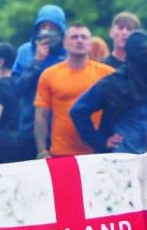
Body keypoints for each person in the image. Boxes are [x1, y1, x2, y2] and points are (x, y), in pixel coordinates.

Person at [70, 30, 147, 208]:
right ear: (134, 53)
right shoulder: (112, 84)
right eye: (146, 50)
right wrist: (101, 141)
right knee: (124, 210)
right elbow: (78, 111)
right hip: (122, 161)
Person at [33, 24, 113, 158]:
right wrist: (42, 151)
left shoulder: (107, 74)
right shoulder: (49, 74)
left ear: (90, 43)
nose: (79, 40)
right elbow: (41, 115)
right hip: (61, 153)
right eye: (74, 37)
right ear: (64, 43)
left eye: (84, 37)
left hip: (98, 152)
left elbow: (120, 110)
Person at [11, 5, 67, 161]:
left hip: (61, 128)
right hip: (29, 125)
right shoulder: (25, 51)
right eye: (43, 26)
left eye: (52, 26)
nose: (47, 31)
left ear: (61, 30)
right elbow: (16, 89)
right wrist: (36, 62)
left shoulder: (68, 53)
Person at [0, 42, 24, 164]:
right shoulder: (19, 82)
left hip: (1, 147)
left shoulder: (0, 86)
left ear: (0, 62)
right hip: (20, 142)